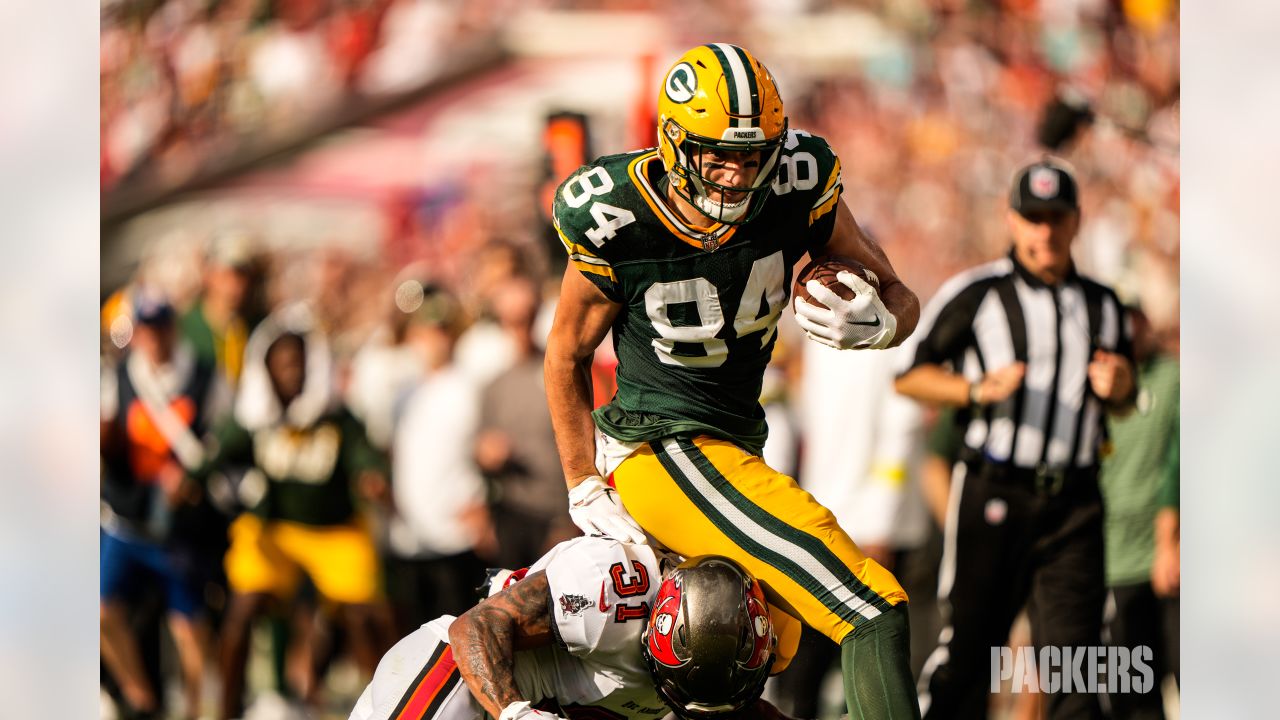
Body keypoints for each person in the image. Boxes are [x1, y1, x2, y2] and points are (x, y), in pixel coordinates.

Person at [543, 44, 922, 720]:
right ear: (673, 144)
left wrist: (883, 323)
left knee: (745, 656)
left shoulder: (798, 183)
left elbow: (897, 292)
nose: (734, 172)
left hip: (735, 449)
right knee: (871, 610)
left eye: (750, 156)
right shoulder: (617, 214)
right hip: (664, 449)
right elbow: (566, 353)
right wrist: (581, 481)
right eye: (716, 153)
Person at [894, 157, 1136, 720]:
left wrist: (1122, 387)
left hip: (1075, 502)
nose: (1045, 232)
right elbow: (910, 376)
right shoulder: (979, 294)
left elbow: (1120, 400)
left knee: (1075, 666)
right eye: (1033, 218)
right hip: (993, 491)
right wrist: (976, 390)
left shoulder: (1105, 304)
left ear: (1076, 221)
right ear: (1012, 220)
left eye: (1056, 218)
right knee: (970, 652)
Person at [189, 304, 394, 719]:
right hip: (276, 529)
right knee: (241, 610)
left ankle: (389, 708)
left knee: (366, 617)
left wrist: (371, 477)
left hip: (334, 528)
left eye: (295, 363)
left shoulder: (336, 417)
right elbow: (214, 454)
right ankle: (227, 710)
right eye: (279, 365)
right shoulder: (254, 419)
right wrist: (187, 478)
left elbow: (364, 456)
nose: (288, 373)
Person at [350, 534, 797, 720]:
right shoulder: (614, 591)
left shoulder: (719, 667)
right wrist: (516, 715)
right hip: (457, 681)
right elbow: (476, 628)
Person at [100, 289, 222, 720]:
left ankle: (195, 710)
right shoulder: (118, 376)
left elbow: (219, 443)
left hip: (177, 527)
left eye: (159, 327)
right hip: (128, 518)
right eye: (145, 329)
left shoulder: (205, 376)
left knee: (188, 627)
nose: (153, 338)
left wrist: (192, 479)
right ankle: (140, 697)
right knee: (101, 610)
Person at [1098, 306, 1179, 719]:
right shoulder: (1091, 384)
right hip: (1115, 565)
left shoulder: (1174, 378)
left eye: (1137, 317)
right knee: (1133, 698)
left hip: (1168, 565)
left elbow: (1178, 464)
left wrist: (1172, 542)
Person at [474, 276, 577, 570]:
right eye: (511, 319)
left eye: (525, 317)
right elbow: (480, 454)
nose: (519, 326)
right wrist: (487, 455)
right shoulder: (494, 386)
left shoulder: (557, 372)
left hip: (557, 514)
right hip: (514, 514)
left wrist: (567, 521)